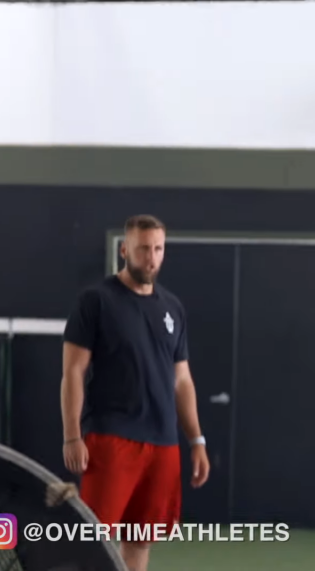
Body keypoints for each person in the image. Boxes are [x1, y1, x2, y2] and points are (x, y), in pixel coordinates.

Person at [60, 214, 210, 571]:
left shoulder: (172, 308)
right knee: (93, 542)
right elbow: (73, 371)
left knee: (140, 541)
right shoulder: (95, 301)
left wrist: (197, 440)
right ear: (125, 249)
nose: (151, 257)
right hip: (111, 438)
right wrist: (71, 436)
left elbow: (182, 380)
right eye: (144, 248)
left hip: (163, 444)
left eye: (158, 249)